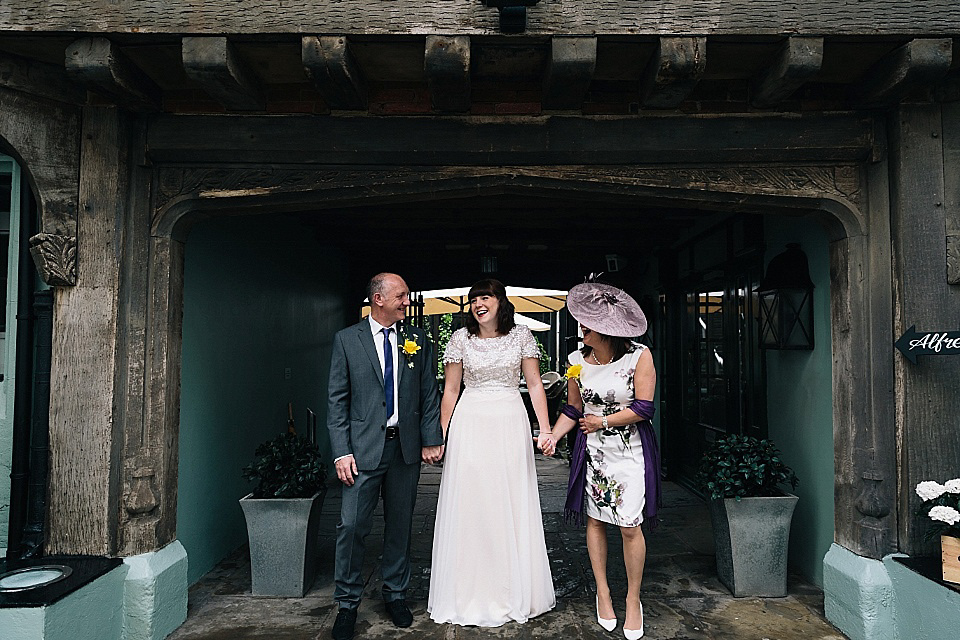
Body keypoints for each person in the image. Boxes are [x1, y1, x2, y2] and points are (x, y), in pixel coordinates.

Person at [427, 278, 557, 627]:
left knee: (509, 500)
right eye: (473, 300)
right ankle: (466, 589)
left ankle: (512, 588)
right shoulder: (460, 339)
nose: (478, 304)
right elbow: (451, 390)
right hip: (471, 423)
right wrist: (440, 434)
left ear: (500, 302)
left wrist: (544, 429)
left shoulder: (521, 336)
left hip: (509, 422)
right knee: (471, 501)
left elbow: (533, 385)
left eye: (484, 297)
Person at [326, 273, 445, 640]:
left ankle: (395, 594)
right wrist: (341, 451)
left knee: (400, 525)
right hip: (361, 450)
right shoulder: (347, 340)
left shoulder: (417, 340)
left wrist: (430, 438)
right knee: (351, 526)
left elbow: (429, 392)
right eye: (401, 296)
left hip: (404, 449)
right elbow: (337, 400)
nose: (406, 302)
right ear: (378, 298)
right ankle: (347, 604)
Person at [544, 282, 660, 640]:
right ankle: (603, 593)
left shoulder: (640, 356)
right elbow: (574, 408)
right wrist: (554, 434)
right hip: (593, 452)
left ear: (608, 329)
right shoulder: (576, 361)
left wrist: (603, 421)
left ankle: (633, 598)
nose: (582, 327)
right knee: (595, 521)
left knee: (629, 525)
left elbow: (644, 407)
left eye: (588, 323)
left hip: (630, 451)